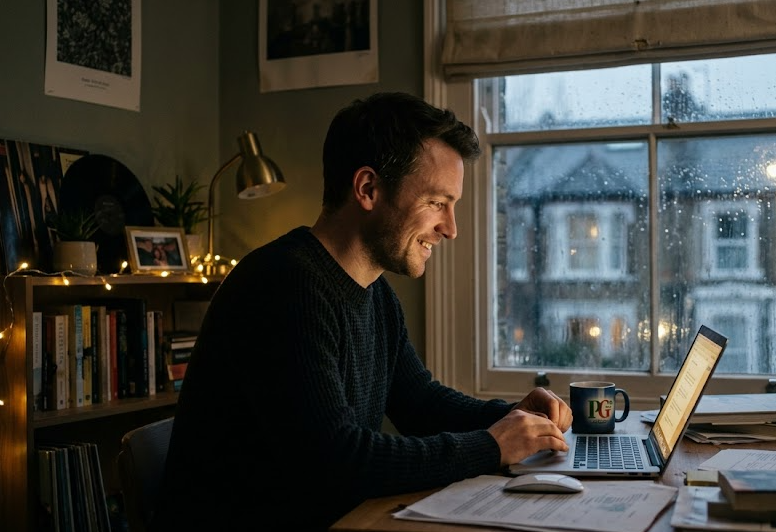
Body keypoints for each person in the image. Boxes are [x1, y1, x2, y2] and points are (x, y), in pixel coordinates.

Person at [152, 92, 573, 531]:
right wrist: (491, 446)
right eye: (436, 203)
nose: (450, 228)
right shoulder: (283, 285)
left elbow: (419, 403)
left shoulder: (375, 292)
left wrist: (511, 417)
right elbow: (337, 461)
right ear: (368, 189)